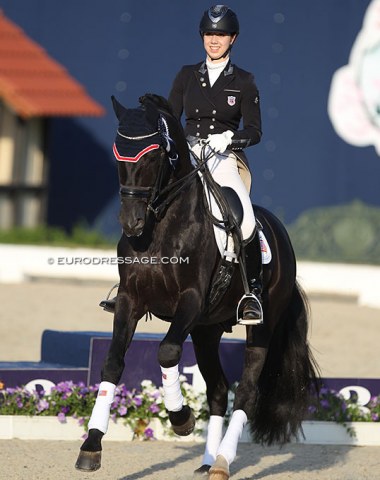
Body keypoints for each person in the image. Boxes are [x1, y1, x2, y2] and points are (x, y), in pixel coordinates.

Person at [167, 4, 263, 324]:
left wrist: (229, 139)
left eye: (220, 34)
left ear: (232, 38)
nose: (214, 40)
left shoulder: (245, 81)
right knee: (153, 202)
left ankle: (252, 293)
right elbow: (170, 117)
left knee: (246, 220)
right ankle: (130, 283)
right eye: (209, 33)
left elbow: (255, 131)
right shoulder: (186, 75)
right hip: (189, 155)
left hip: (222, 159)